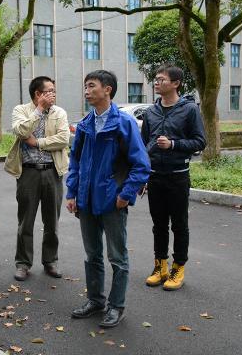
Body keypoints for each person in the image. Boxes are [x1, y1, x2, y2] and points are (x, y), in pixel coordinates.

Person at [66, 70, 150, 328]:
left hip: (113, 202)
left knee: (117, 257)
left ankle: (116, 306)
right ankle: (95, 300)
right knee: (92, 255)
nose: (86, 91)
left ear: (107, 89)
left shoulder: (124, 123)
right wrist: (71, 192)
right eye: (85, 86)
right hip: (86, 201)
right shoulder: (85, 124)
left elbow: (141, 164)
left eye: (91, 86)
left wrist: (125, 195)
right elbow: (75, 161)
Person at [141, 64, 206, 291]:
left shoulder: (189, 110)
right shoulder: (151, 112)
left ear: (176, 83)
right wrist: (142, 175)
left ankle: (178, 267)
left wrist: (173, 145)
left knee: (179, 225)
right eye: (156, 79)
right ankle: (160, 266)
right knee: (158, 225)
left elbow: (200, 141)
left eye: (161, 79)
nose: (156, 83)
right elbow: (143, 145)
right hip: (155, 177)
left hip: (178, 176)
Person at [4, 76, 70, 281]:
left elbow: (63, 139)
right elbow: (21, 131)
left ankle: (51, 261)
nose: (53, 94)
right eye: (49, 91)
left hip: (52, 171)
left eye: (54, 91)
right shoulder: (21, 110)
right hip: (28, 172)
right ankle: (23, 263)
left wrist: (37, 142)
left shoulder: (59, 113)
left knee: (52, 221)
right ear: (38, 94)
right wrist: (39, 110)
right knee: (26, 221)